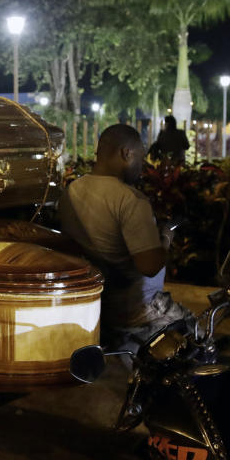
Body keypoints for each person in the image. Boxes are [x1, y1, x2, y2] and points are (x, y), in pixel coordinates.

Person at [59, 124, 190, 354]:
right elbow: (149, 266)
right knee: (196, 334)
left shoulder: (71, 191)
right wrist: (166, 237)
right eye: (140, 157)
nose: (143, 165)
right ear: (126, 153)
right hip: (136, 310)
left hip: (96, 302)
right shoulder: (130, 200)